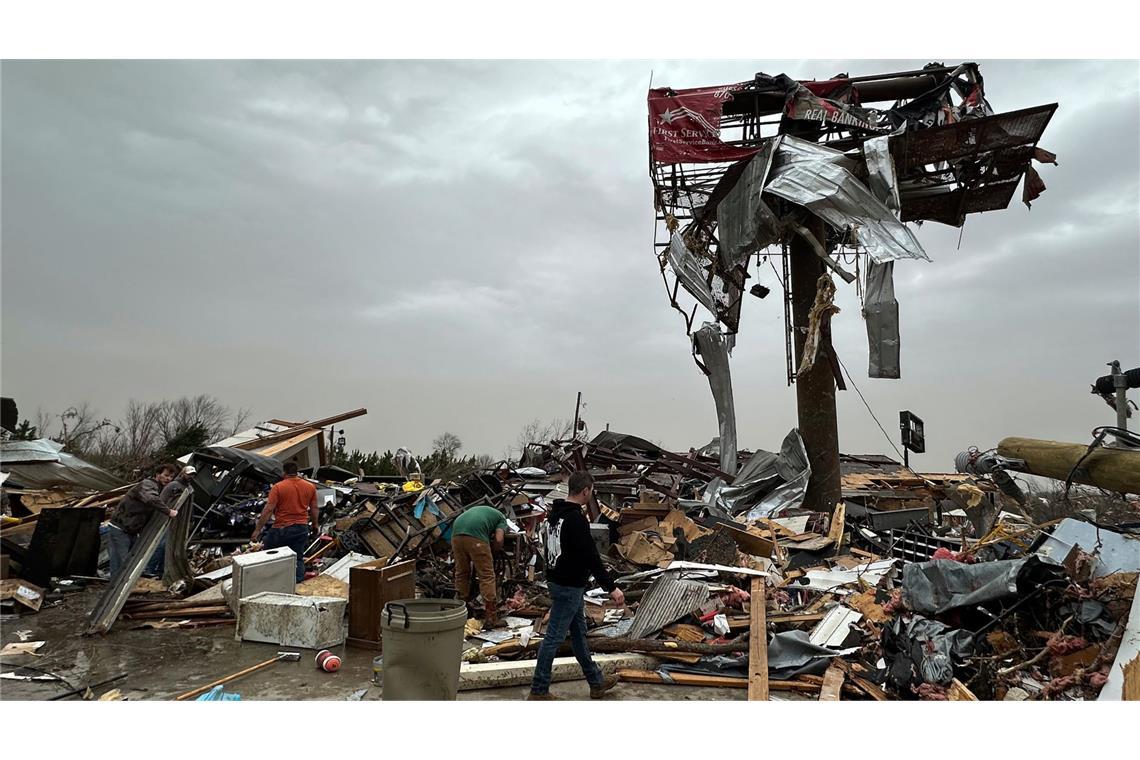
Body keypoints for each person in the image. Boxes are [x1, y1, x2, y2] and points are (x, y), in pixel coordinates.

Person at [529, 471, 624, 700]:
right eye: (591, 491)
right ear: (586, 491)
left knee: (579, 635)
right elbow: (591, 556)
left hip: (559, 582)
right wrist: (611, 587)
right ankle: (539, 690)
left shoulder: (555, 516)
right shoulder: (575, 519)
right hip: (569, 586)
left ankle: (596, 682)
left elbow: (550, 550)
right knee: (553, 638)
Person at [107, 463, 180, 580]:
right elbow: (151, 499)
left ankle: (125, 589)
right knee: (120, 562)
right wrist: (169, 511)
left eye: (171, 477)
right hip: (120, 528)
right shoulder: (148, 484)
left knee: (132, 562)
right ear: (157, 474)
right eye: (166, 475)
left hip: (131, 530)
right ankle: (115, 592)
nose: (168, 479)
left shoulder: (160, 489)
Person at [251, 461, 318, 582]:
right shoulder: (310, 487)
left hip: (282, 528)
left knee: (268, 553)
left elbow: (269, 509)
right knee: (298, 557)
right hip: (301, 527)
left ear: (284, 473)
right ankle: (298, 584)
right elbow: (314, 509)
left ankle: (268, 581)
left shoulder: (278, 487)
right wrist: (315, 526)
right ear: (296, 472)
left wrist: (257, 530)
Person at [450, 505, 507, 626]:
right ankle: (491, 618)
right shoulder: (501, 518)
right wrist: (494, 551)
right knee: (486, 576)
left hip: (456, 534)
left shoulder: (481, 510)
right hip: (475, 537)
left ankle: (460, 613)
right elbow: (498, 539)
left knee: (462, 573)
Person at [143, 465, 196, 578]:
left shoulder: (190, 488)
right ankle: (149, 569)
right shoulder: (174, 485)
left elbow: (190, 506)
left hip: (180, 521)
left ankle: (162, 570)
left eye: (192, 474)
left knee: (170, 546)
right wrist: (163, 515)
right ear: (183, 473)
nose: (190, 476)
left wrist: (190, 519)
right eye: (188, 474)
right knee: (161, 545)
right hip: (167, 519)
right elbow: (161, 501)